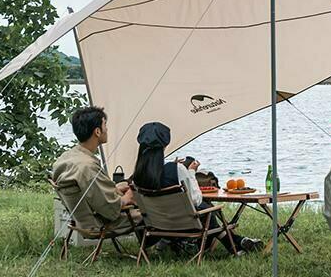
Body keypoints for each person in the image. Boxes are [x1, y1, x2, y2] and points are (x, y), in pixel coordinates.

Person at [131, 122, 262, 254]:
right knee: (207, 209)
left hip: (157, 225)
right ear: (165, 145)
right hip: (185, 225)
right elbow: (196, 200)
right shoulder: (176, 169)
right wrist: (191, 172)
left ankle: (237, 244)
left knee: (206, 212)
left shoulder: (137, 176)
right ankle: (237, 244)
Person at [52, 106, 140, 232]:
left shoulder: (66, 158)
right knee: (150, 214)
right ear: (97, 131)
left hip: (80, 221)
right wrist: (128, 197)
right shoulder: (88, 167)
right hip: (99, 224)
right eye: (105, 124)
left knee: (122, 184)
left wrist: (114, 189)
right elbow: (110, 209)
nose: (107, 129)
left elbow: (88, 190)